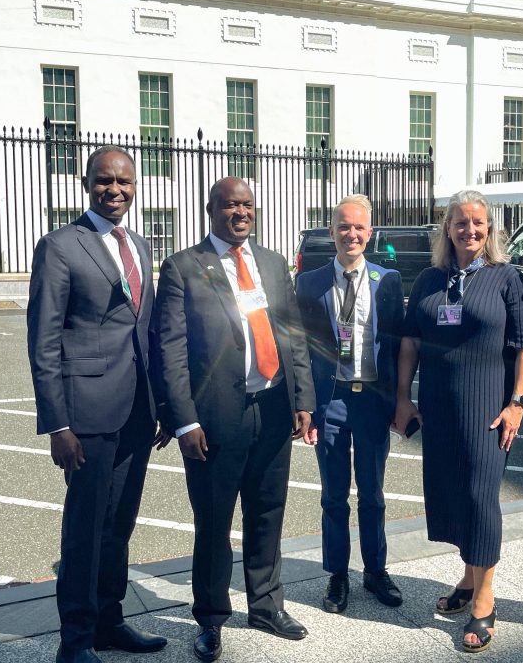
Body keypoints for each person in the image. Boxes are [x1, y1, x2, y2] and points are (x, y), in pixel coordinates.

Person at [152, 177, 315, 662]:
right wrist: (183, 421)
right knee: (214, 521)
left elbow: (293, 335)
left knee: (268, 512)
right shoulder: (183, 267)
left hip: (272, 409)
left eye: (246, 205)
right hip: (215, 419)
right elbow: (171, 352)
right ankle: (211, 618)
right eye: (229, 206)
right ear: (211, 209)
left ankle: (266, 605)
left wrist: (302, 397)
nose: (239, 213)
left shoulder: (270, 263)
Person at [27, 146, 168, 663]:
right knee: (85, 529)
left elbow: (148, 330)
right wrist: (56, 423)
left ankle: (111, 621)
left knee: (119, 525)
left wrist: (164, 406)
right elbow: (42, 340)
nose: (115, 190)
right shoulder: (61, 246)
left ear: (135, 186)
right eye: (105, 181)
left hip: (136, 411)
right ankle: (77, 640)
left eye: (124, 182)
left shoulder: (141, 245)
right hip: (84, 415)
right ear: (87, 184)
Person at [394, 190, 523, 653]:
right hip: (439, 406)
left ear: (489, 229)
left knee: (480, 496)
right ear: (447, 229)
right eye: (460, 223)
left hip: (489, 407)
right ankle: (469, 579)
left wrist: (518, 402)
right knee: (452, 492)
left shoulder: (506, 278)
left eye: (478, 223)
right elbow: (411, 341)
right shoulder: (432, 279)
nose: (470, 230)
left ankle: (484, 597)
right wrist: (402, 398)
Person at [294, 194, 404, 614]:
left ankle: (375, 571)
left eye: (359, 227)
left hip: (373, 401)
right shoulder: (310, 282)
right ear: (331, 232)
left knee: (373, 493)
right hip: (332, 402)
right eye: (344, 226)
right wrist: (305, 407)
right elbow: (299, 348)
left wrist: (399, 401)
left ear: (370, 234)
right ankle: (337, 574)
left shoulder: (387, 280)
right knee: (334, 495)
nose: (351, 234)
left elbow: (395, 345)